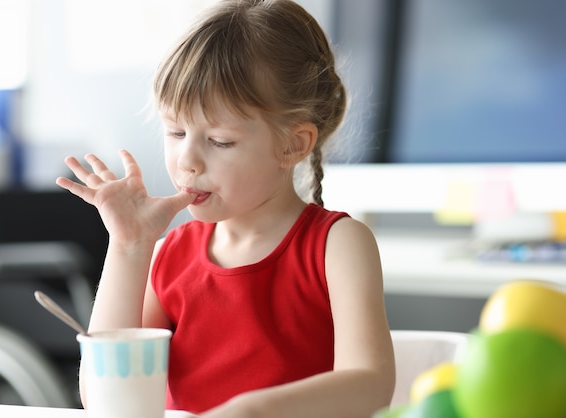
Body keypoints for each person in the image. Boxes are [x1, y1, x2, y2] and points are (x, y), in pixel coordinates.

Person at [56, 0, 395, 416]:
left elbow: (372, 384)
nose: (187, 160)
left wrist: (252, 412)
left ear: (293, 144)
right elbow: (105, 397)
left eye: (219, 141)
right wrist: (129, 246)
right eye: (176, 131)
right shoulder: (168, 255)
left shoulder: (338, 246)